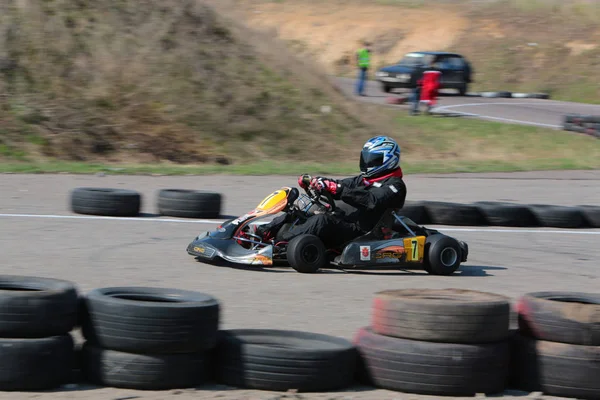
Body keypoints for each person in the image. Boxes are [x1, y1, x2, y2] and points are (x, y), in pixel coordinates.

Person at [255, 136, 407, 248]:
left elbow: (371, 200)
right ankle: (260, 233)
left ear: (389, 160)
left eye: (373, 159)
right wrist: (317, 182)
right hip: (344, 222)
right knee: (296, 212)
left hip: (363, 232)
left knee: (322, 220)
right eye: (366, 158)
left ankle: (278, 245)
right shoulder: (364, 180)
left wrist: (339, 190)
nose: (367, 163)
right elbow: (340, 184)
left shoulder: (395, 186)